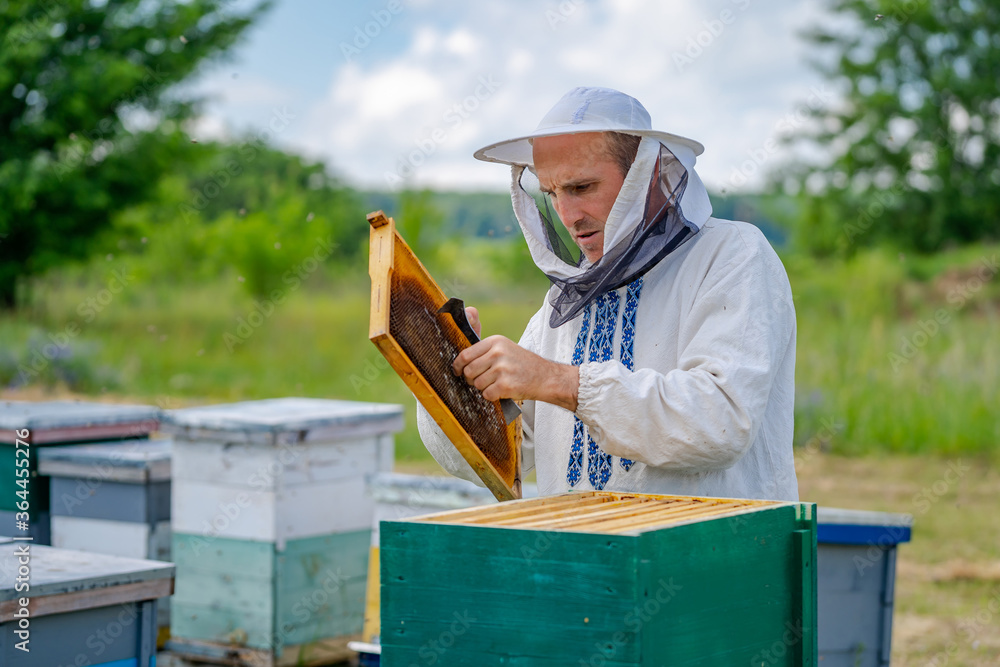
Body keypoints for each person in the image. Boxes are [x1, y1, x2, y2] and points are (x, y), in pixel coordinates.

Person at [417, 87, 798, 501]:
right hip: (584, 555)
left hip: (715, 553)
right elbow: (508, 450)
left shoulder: (732, 254)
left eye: (581, 187)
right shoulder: (567, 301)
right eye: (552, 193)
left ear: (647, 174)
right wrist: (449, 380)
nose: (567, 216)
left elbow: (720, 421)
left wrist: (557, 381)